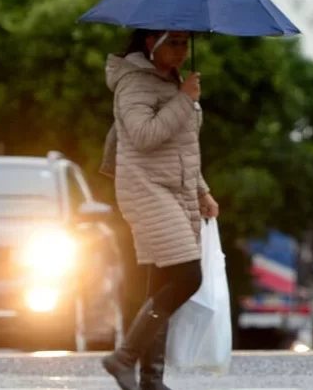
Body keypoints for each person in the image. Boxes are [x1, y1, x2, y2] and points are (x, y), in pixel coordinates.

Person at [100, 29, 219, 390]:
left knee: (163, 284)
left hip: (176, 190)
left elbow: (183, 149)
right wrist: (184, 100)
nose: (182, 51)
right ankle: (123, 358)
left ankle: (152, 380)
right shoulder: (134, 82)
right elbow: (144, 135)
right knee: (187, 276)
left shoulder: (172, 82)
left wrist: (202, 192)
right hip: (146, 190)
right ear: (152, 43)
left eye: (185, 43)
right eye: (174, 43)